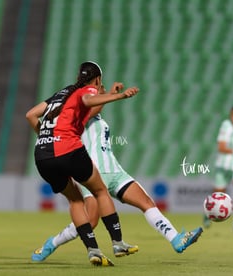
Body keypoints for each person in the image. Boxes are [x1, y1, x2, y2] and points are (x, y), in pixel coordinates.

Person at [31, 85, 203, 263]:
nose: (97, 92)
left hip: (115, 172)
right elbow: (92, 106)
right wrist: (112, 94)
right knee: (91, 221)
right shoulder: (77, 114)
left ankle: (176, 240)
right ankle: (51, 244)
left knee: (146, 203)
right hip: (93, 171)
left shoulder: (96, 116)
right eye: (97, 90)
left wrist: (108, 93)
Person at [26, 61, 139, 266]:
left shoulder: (61, 95)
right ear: (97, 80)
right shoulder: (86, 90)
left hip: (42, 156)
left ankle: (93, 250)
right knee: (101, 192)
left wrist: (46, 137)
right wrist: (120, 95)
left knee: (76, 201)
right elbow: (88, 99)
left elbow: (31, 114)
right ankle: (118, 242)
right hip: (68, 151)